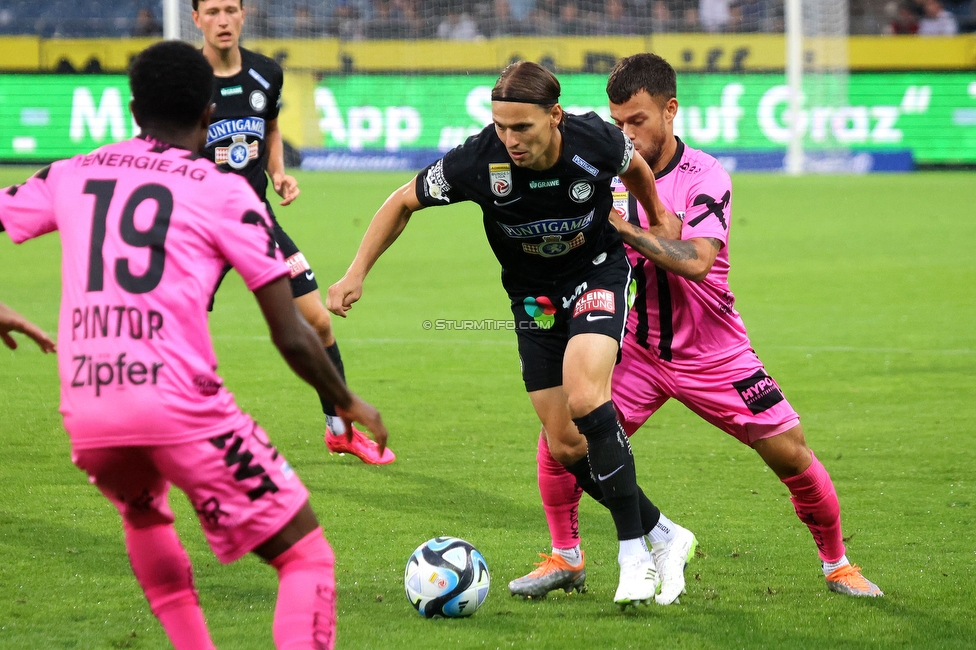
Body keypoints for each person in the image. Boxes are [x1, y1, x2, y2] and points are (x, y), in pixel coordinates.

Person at [0, 41, 391, 649]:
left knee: (144, 512)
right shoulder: (224, 191)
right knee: (305, 556)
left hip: (88, 411)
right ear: (210, 111)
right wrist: (345, 400)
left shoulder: (73, 171)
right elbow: (289, 330)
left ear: (132, 108)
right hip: (176, 405)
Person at [530, 52, 883, 604]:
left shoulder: (705, 175)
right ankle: (566, 557)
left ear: (670, 110)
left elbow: (695, 261)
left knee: (790, 453)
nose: (626, 133)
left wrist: (620, 228)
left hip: (716, 353)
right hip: (638, 350)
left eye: (637, 120)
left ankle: (837, 563)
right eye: (616, 121)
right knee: (562, 439)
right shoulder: (603, 171)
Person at [328, 61, 684, 608]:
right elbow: (402, 200)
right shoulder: (477, 159)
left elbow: (634, 166)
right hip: (533, 299)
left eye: (523, 127)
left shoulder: (593, 138)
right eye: (501, 126)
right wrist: (356, 273)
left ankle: (633, 552)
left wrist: (657, 214)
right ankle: (663, 532)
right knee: (565, 444)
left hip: (597, 274)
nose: (510, 140)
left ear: (555, 117)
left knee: (589, 395)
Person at [193, 0, 395, 464]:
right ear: (196, 19)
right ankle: (161, 432)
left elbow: (269, 127)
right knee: (183, 329)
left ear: (243, 15)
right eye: (212, 12)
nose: (222, 20)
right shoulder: (185, 79)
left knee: (318, 320)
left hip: (256, 220)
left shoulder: (266, 72)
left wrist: (278, 171)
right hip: (200, 230)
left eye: (230, 10)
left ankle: (339, 429)